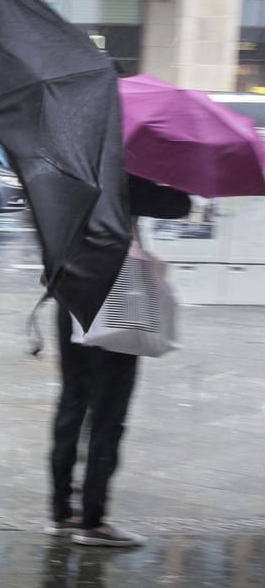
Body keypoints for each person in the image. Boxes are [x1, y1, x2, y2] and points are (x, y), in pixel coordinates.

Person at [45, 174, 192, 547]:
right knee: (108, 411)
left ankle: (62, 512)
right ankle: (93, 521)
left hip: (70, 293)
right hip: (116, 296)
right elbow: (177, 204)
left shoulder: (61, 168)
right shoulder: (120, 168)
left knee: (72, 400)